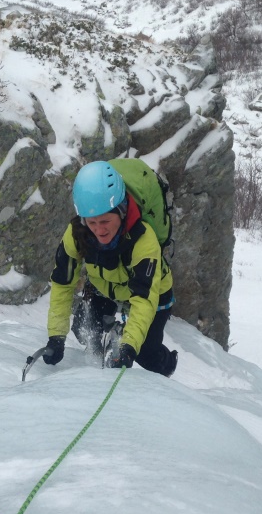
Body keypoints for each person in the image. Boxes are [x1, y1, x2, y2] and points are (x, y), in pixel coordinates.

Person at [42, 161, 178, 376]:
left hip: (153, 293)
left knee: (147, 355)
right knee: (84, 329)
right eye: (92, 223)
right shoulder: (78, 232)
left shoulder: (144, 239)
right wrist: (56, 336)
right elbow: (62, 282)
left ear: (122, 211)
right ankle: (109, 339)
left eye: (105, 221)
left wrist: (129, 347)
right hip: (105, 286)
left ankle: (169, 364)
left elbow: (143, 299)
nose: (99, 230)